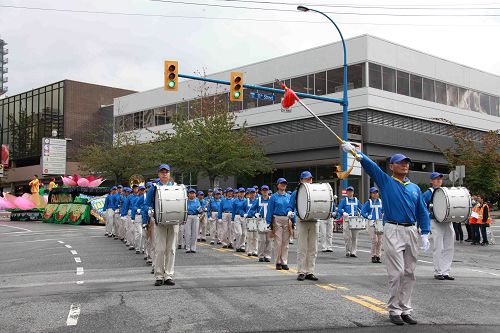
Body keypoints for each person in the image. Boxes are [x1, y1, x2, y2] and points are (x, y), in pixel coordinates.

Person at [342, 143, 430, 326]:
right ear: (392, 166)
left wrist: (425, 232)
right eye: (400, 163)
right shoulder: (386, 181)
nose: (404, 165)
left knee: (410, 272)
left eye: (406, 163)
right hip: (393, 229)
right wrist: (356, 153)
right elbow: (372, 167)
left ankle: (405, 308)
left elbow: (421, 211)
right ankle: (394, 309)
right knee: (397, 272)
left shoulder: (414, 188)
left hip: (411, 230)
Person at [142, 164, 179, 286]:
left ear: (169, 174)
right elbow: (147, 204)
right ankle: (159, 275)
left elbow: (181, 203)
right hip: (159, 221)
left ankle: (168, 275)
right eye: (162, 172)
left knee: (171, 249)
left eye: (166, 172)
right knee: (160, 249)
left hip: (173, 221)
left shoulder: (175, 187)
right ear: (158, 174)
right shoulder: (154, 188)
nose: (164, 174)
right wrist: (148, 213)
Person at [423, 172, 455, 281]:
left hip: (447, 221)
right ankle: (438, 271)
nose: (439, 181)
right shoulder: (428, 193)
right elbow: (422, 207)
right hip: (435, 221)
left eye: (440, 179)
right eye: (436, 179)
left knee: (449, 247)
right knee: (439, 247)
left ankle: (446, 271)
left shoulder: (446, 191)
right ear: (431, 181)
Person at [289, 171, 320, 281]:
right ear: (301, 180)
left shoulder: (316, 191)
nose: (309, 181)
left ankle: (310, 271)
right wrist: (290, 213)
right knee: (302, 247)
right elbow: (290, 206)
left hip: (313, 220)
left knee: (313, 248)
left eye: (310, 179)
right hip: (301, 220)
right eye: (307, 179)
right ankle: (301, 271)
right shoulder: (296, 192)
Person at [266, 178, 292, 270]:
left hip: (287, 219)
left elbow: (292, 208)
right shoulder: (273, 197)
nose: (283, 185)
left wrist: (294, 221)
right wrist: (268, 222)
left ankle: (284, 261)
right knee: (278, 241)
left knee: (286, 242)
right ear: (277, 185)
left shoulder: (289, 196)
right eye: (281, 184)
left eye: (285, 184)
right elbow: (270, 210)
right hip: (277, 219)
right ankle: (278, 261)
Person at [249, 185, 272, 262]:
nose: (265, 192)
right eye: (263, 190)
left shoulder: (271, 199)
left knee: (269, 239)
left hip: (270, 220)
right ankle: (261, 255)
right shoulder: (258, 200)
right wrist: (255, 214)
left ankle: (267, 255)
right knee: (262, 239)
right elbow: (251, 209)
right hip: (261, 220)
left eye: (266, 190)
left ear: (268, 191)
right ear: (261, 191)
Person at [338, 186, 362, 258]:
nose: (350, 192)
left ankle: (353, 252)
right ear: (347, 192)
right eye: (348, 191)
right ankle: (347, 250)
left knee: (354, 237)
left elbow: (362, 208)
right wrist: (343, 213)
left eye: (351, 191)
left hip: (355, 219)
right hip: (347, 219)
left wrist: (361, 214)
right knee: (347, 236)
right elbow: (339, 208)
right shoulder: (344, 200)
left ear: (353, 192)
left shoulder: (356, 200)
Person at [362, 187, 384, 263]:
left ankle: (378, 256)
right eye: (373, 193)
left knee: (380, 240)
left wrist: (384, 215)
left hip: (380, 223)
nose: (375, 194)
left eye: (376, 193)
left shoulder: (380, 202)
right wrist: (367, 216)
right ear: (371, 194)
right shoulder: (368, 202)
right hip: (372, 223)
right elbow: (362, 211)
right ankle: (373, 255)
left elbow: (384, 210)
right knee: (375, 240)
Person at [185, 188, 202, 253]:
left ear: (195, 194)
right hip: (188, 216)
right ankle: (188, 248)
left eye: (193, 193)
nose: (192, 195)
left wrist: (201, 210)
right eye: (190, 193)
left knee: (195, 233)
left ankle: (193, 248)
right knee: (187, 233)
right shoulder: (186, 201)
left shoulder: (197, 200)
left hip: (195, 216)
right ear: (188, 194)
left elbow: (199, 209)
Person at [232, 188, 248, 252]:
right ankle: (238, 245)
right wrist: (232, 219)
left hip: (244, 217)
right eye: (240, 192)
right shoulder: (235, 201)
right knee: (239, 232)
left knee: (244, 232)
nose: (242, 193)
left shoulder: (246, 200)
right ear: (238, 193)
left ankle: (242, 245)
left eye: (243, 192)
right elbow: (233, 210)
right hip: (237, 216)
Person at [132, 185, 146, 255]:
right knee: (139, 233)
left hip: (145, 217)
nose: (142, 191)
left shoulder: (146, 197)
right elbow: (134, 206)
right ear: (139, 191)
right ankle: (137, 248)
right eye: (141, 190)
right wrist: (132, 217)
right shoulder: (137, 198)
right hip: (138, 216)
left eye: (143, 190)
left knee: (144, 234)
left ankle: (143, 248)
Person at [245, 188, 259, 257]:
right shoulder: (246, 200)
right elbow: (241, 209)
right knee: (250, 236)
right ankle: (249, 250)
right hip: (249, 219)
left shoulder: (258, 200)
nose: (252, 194)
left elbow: (259, 209)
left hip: (256, 219)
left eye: (254, 193)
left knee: (256, 236)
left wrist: (256, 213)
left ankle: (255, 250)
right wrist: (243, 213)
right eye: (251, 193)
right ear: (249, 193)